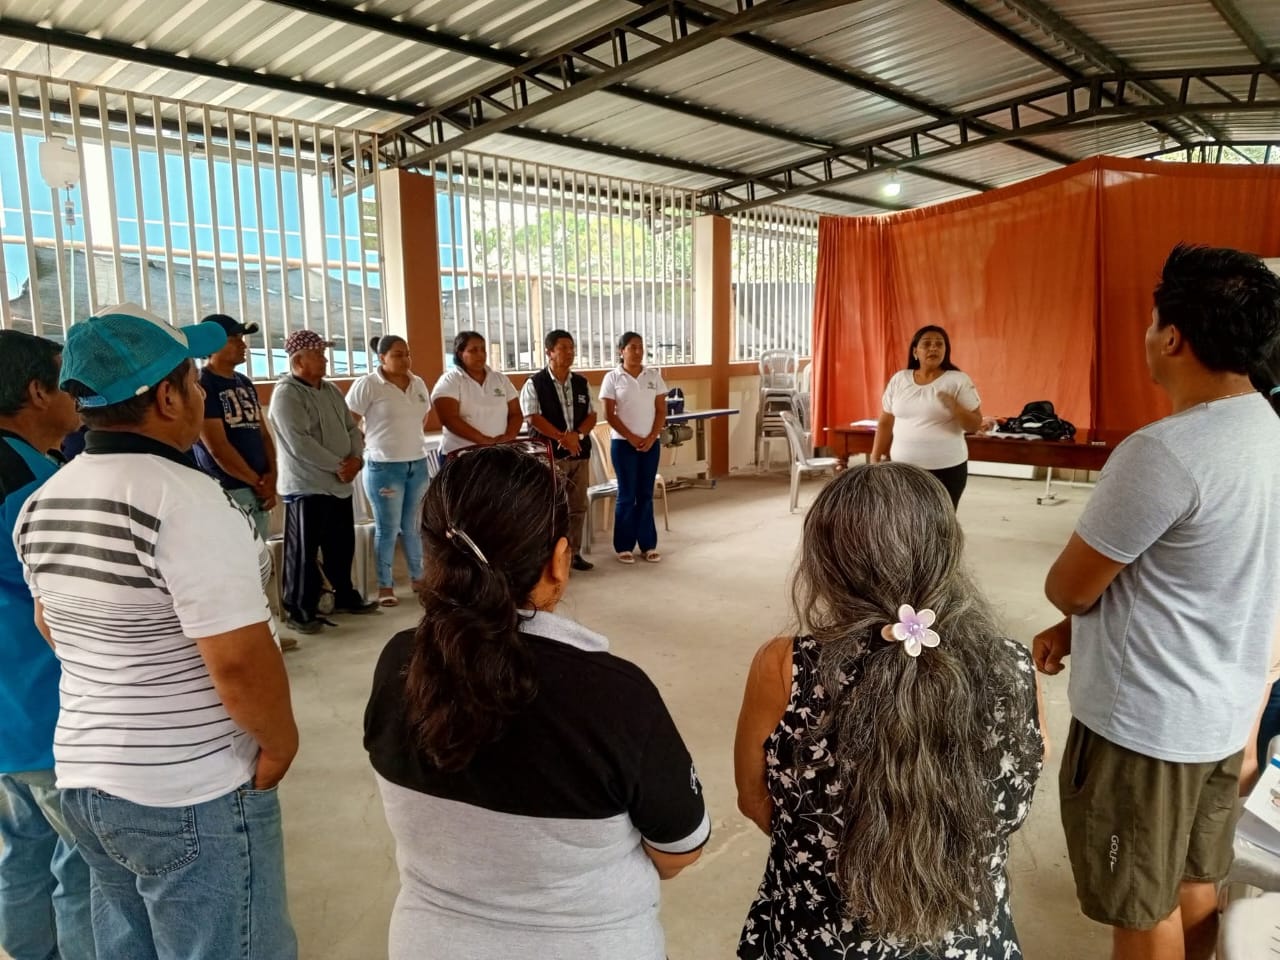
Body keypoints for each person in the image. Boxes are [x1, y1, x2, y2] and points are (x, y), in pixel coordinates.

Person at [13, 304, 299, 960]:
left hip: (86, 776)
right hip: (188, 790)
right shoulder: (187, 500)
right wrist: (280, 744)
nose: (198, 392)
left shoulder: (43, 501)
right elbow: (238, 661)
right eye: (192, 381)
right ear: (168, 397)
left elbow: (50, 622)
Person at [364, 443, 709, 960]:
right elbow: (679, 851)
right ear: (558, 562)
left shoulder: (398, 662)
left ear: (432, 556)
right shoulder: (615, 694)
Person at [1034, 244, 1280, 960]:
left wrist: (1072, 612)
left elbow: (1070, 585)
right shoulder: (1268, 428)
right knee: (1194, 879)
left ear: (1172, 337)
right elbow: (1214, 570)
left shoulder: (1163, 453)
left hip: (1147, 727)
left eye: (1151, 323)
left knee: (1141, 909)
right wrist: (1077, 629)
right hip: (1222, 710)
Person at [734, 462, 1043, 960]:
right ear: (947, 552)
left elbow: (755, 800)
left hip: (814, 942)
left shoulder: (785, 669)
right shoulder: (1015, 668)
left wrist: (826, 852)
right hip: (973, 944)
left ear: (825, 564)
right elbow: (1013, 796)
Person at [0, 331, 93, 960]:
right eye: (68, 383)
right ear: (38, 391)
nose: (78, 398)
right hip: (44, 711)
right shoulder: (34, 490)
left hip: (10, 719)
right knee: (85, 863)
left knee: (22, 850)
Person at [267, 329, 377, 633]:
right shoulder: (287, 394)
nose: (324, 359)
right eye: (317, 354)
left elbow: (352, 428)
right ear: (298, 361)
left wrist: (357, 460)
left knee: (340, 545)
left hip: (340, 484)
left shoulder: (330, 390)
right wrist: (340, 466)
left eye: (323, 353)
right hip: (307, 486)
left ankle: (344, 595)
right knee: (303, 552)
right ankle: (300, 609)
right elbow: (298, 443)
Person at [346, 335, 432, 607]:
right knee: (388, 528)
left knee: (413, 526)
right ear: (382, 358)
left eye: (407, 354)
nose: (405, 359)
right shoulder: (368, 385)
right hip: (384, 466)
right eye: (397, 355)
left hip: (417, 463)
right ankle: (385, 585)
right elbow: (349, 422)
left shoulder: (418, 383)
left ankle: (419, 578)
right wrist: (364, 445)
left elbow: (422, 416)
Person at [869, 325, 983, 508]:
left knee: (941, 521)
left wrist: (955, 408)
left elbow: (975, 425)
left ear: (945, 351)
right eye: (927, 344)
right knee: (904, 518)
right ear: (915, 351)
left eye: (939, 344)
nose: (933, 348)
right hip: (903, 468)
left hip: (946, 469)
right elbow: (885, 422)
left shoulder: (958, 380)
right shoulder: (899, 379)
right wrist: (875, 457)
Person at [193, 313, 277, 542]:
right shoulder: (203, 384)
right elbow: (218, 448)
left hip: (258, 490)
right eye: (234, 339)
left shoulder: (244, 382)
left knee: (258, 557)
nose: (243, 345)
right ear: (213, 345)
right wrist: (257, 483)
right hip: (230, 490)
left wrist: (271, 476)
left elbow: (263, 435)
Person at [521, 329, 598, 572]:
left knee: (577, 507)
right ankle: (550, 559)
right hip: (550, 455)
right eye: (563, 348)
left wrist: (577, 436)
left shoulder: (581, 382)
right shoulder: (535, 383)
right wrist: (562, 438)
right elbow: (532, 417)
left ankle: (573, 554)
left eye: (571, 348)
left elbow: (592, 415)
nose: (569, 352)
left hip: (579, 454)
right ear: (549, 352)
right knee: (552, 508)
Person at [599, 332, 667, 564]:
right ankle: (624, 546)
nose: (638, 352)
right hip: (623, 444)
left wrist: (652, 436)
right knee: (627, 495)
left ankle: (648, 545)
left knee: (646, 494)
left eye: (640, 347)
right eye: (632, 347)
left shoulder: (653, 376)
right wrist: (630, 437)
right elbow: (609, 414)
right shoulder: (612, 378)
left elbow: (661, 410)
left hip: (650, 444)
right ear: (621, 351)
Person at [430, 331, 520, 456]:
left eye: (483, 349)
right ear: (460, 354)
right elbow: (449, 419)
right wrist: (484, 441)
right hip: (461, 454)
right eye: (473, 350)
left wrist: (508, 437)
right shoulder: (450, 380)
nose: (480, 354)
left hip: (498, 452)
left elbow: (516, 413)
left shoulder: (500, 379)